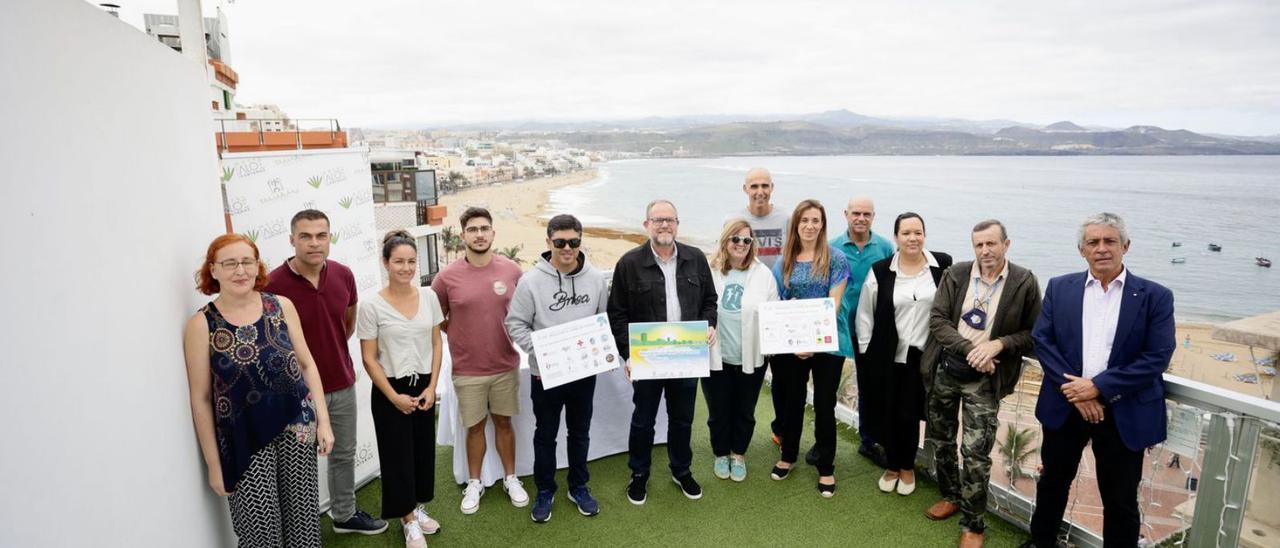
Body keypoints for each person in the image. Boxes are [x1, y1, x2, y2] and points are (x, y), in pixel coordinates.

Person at [1021, 213, 1175, 548]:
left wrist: (1099, 387)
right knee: (1053, 482)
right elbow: (1043, 341)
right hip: (1066, 407)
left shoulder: (1155, 296)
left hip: (1122, 413)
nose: (1101, 248)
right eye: (1093, 242)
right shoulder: (1060, 287)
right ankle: (1040, 542)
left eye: (1110, 241)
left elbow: (1157, 357)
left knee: (1119, 498)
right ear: (1082, 250)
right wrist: (1080, 394)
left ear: (1126, 246)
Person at [183, 233, 334, 547]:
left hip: (297, 427)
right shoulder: (202, 325)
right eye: (229, 263)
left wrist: (324, 421)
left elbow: (307, 365)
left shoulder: (281, 306)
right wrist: (214, 464)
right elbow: (201, 399)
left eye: (247, 262)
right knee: (260, 535)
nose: (240, 271)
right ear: (213, 270)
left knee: (304, 525)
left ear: (257, 265)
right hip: (243, 441)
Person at [922, 220, 1042, 548]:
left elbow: (1034, 333)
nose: (985, 251)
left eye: (991, 244)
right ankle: (950, 496)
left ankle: (973, 524)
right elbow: (938, 320)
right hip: (947, 370)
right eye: (979, 245)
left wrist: (998, 345)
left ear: (1006, 244)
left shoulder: (1024, 281)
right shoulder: (957, 274)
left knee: (975, 454)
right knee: (942, 440)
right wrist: (973, 349)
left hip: (987, 380)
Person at [265, 210, 386, 534]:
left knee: (343, 454)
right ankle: (300, 528)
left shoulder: (344, 275)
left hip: (341, 383)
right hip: (294, 393)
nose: (314, 243)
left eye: (321, 235)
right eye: (305, 236)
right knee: (298, 465)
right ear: (292, 240)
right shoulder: (272, 285)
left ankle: (344, 515)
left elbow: (345, 325)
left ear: (329, 238)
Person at [609, 199, 718, 505]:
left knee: (682, 419)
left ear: (677, 224)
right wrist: (628, 354)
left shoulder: (696, 258)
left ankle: (681, 470)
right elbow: (616, 313)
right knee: (644, 420)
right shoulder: (629, 263)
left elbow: (710, 299)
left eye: (669, 220)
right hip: (648, 359)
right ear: (647, 225)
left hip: (687, 356)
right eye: (658, 220)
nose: (664, 225)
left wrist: (710, 324)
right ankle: (639, 474)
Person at [504, 214, 611, 523]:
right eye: (560, 242)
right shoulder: (531, 281)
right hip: (545, 374)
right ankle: (545, 490)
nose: (567, 248)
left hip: (583, 374)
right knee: (546, 434)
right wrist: (543, 353)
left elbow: (602, 319)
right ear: (548, 242)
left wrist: (602, 350)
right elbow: (516, 324)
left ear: (580, 242)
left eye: (574, 242)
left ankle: (578, 486)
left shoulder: (594, 279)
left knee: (580, 432)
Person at [431, 207, 529, 514]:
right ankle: (474, 483)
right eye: (472, 229)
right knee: (474, 428)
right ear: (463, 236)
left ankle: (511, 478)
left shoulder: (512, 270)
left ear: (493, 233)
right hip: (467, 369)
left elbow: (525, 311)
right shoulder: (446, 277)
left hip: (505, 365)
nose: (479, 234)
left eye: (484, 228)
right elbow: (437, 318)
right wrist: (459, 333)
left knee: (504, 423)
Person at [357, 231, 444, 548]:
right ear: (385, 263)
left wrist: (433, 387)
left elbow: (436, 343)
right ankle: (408, 521)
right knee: (397, 457)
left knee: (422, 453)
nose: (406, 268)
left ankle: (418, 509)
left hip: (423, 385)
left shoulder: (430, 297)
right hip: (389, 389)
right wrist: (393, 397)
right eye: (398, 262)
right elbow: (369, 358)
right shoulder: (371, 306)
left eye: (411, 261)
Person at [857, 212, 953, 496]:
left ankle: (907, 467)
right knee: (887, 412)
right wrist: (865, 353)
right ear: (896, 237)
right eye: (906, 233)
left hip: (923, 357)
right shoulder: (880, 270)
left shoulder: (943, 265)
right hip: (887, 355)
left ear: (924, 235)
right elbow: (865, 314)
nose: (913, 238)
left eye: (918, 232)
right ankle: (892, 465)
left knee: (910, 415)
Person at [769, 199, 851, 498]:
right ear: (796, 225)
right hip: (792, 345)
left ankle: (826, 467)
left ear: (823, 225)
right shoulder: (785, 259)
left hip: (828, 344)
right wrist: (798, 343)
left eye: (816, 220)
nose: (810, 226)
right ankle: (788, 455)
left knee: (825, 404)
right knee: (792, 401)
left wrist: (813, 344)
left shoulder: (836, 258)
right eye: (804, 220)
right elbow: (779, 300)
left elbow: (834, 304)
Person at [704, 219, 780, 482]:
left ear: (752, 245)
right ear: (726, 241)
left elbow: (773, 311)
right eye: (735, 239)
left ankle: (738, 455)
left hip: (752, 357)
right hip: (716, 356)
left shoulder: (763, 274)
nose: (741, 245)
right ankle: (721, 453)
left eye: (746, 240)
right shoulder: (710, 271)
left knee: (745, 410)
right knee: (718, 410)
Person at [725, 168, 790, 447]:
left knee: (784, 378)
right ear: (745, 189)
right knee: (748, 373)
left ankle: (783, 429)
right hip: (748, 308)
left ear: (772, 187)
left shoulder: (786, 219)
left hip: (779, 305)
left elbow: (794, 254)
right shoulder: (735, 220)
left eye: (764, 185)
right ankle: (732, 433)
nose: (759, 191)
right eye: (754, 186)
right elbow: (725, 256)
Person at [829, 196, 895, 467]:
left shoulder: (885, 247)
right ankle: (824, 443)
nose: (861, 218)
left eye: (866, 214)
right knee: (827, 387)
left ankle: (869, 441)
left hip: (871, 329)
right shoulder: (832, 247)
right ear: (846, 214)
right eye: (856, 213)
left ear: (873, 216)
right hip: (838, 327)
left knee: (871, 386)